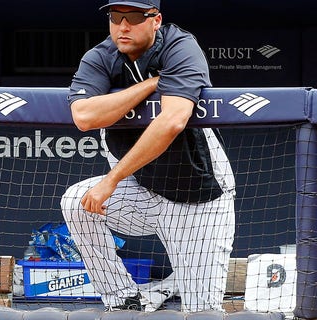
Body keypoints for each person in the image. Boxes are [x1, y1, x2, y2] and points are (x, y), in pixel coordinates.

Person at [60, 0, 235, 313]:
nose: (123, 27)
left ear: (156, 20)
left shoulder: (180, 46)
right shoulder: (101, 56)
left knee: (202, 313)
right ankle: (124, 300)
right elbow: (84, 117)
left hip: (199, 198)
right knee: (77, 203)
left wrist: (111, 179)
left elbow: (172, 121)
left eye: (135, 18)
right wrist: (152, 84)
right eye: (116, 18)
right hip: (143, 194)